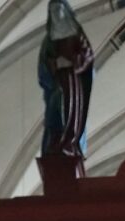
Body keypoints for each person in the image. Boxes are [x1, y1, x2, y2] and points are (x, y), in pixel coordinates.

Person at [38, 0, 95, 158]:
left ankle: (69, 141)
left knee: (72, 107)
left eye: (60, 9)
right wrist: (54, 64)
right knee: (56, 107)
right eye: (54, 10)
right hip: (58, 80)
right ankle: (57, 140)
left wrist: (72, 61)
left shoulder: (76, 33)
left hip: (73, 78)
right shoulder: (50, 39)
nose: (58, 13)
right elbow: (44, 62)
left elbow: (87, 54)